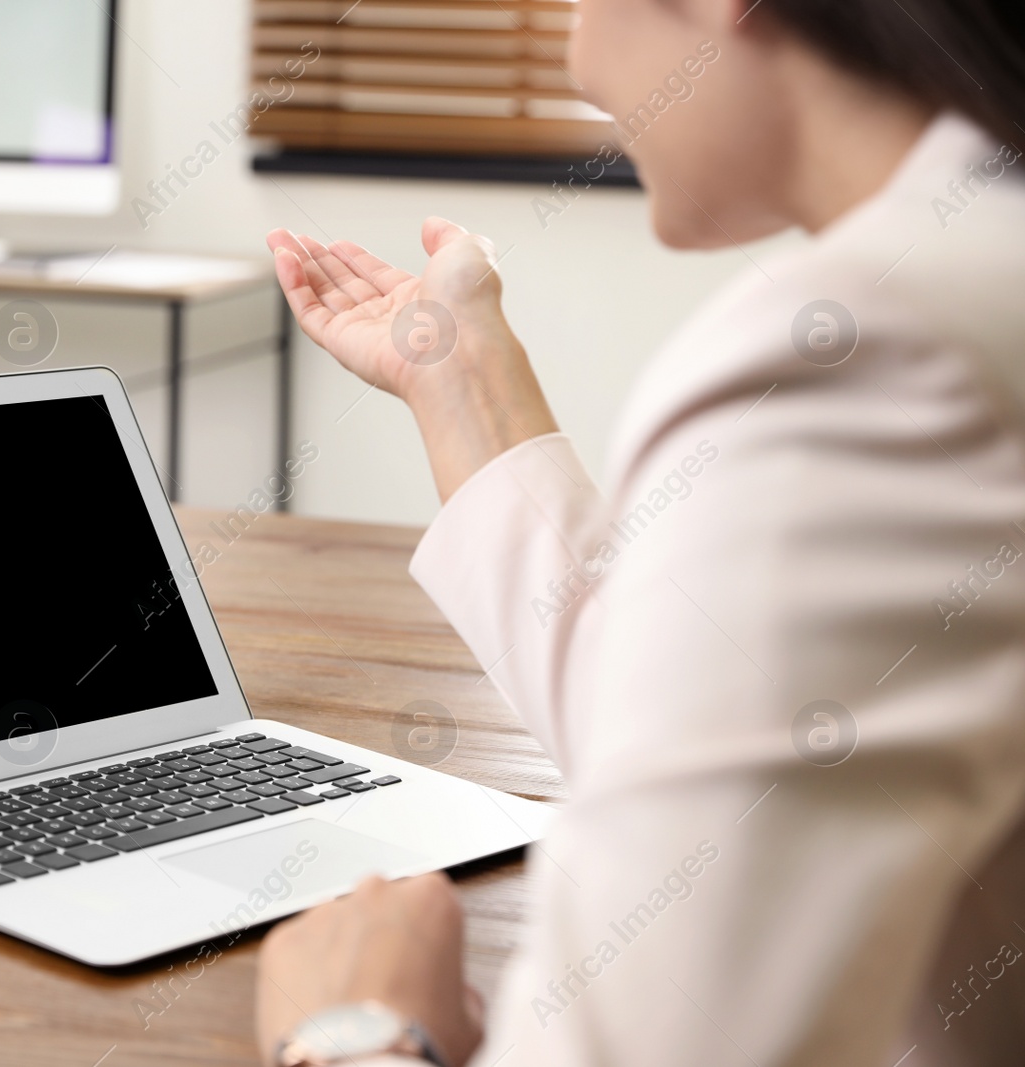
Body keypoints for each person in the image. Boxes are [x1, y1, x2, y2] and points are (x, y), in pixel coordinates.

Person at [255, 0, 1025, 1064]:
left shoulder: (876, 353)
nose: (576, 64)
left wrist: (349, 1030)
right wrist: (458, 379)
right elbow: (725, 735)